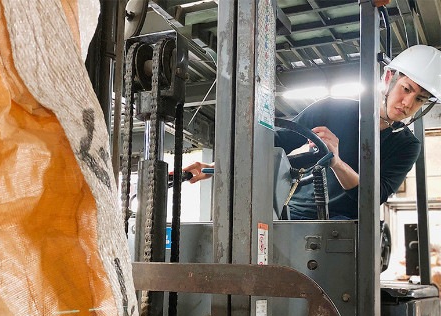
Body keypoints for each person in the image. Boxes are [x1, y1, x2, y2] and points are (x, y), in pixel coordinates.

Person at [184, 45, 441, 220]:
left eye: (419, 99)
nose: (408, 103)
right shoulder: (333, 108)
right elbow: (277, 141)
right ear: (388, 78)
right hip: (292, 216)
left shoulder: (407, 146)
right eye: (406, 89)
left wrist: (337, 163)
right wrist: (214, 167)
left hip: (345, 230)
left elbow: (375, 196)